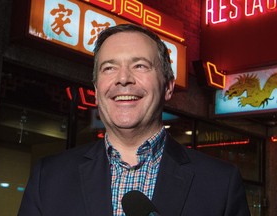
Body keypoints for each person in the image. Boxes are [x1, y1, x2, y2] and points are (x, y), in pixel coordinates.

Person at [18, 24, 250, 216]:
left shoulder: (220, 183)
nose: (123, 79)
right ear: (97, 91)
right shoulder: (48, 177)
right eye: (109, 68)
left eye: (140, 65)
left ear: (168, 86)